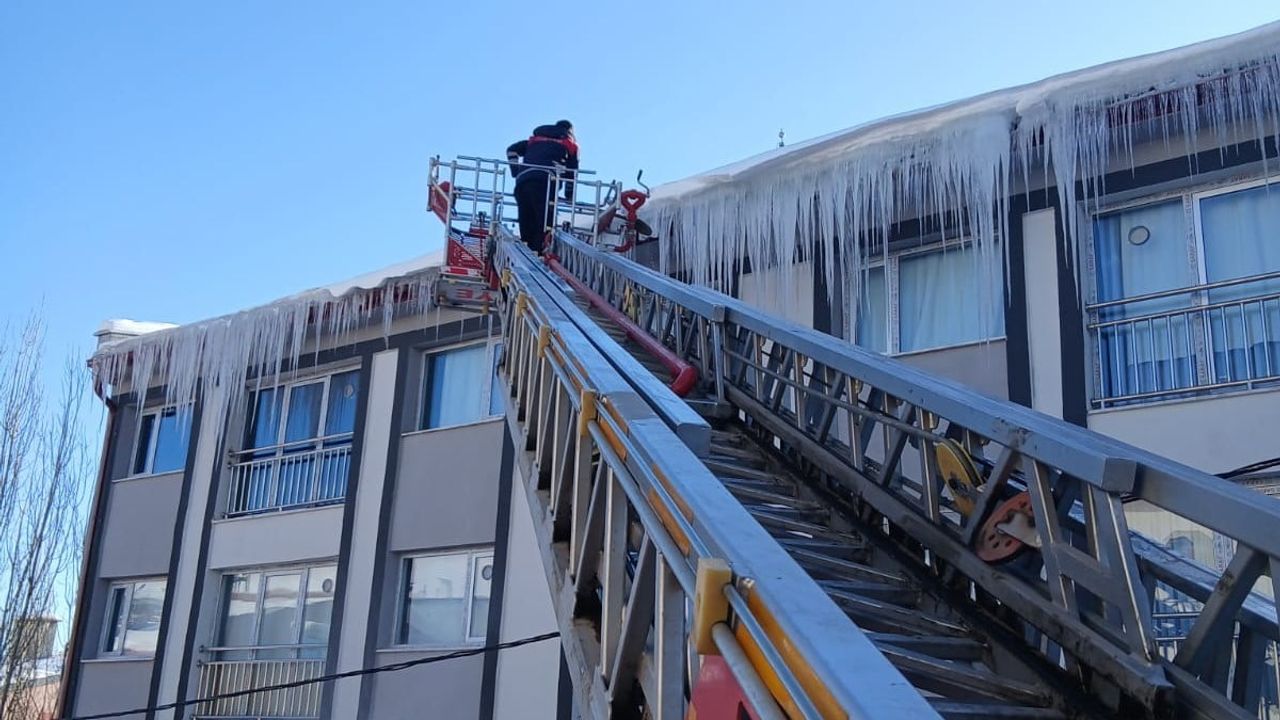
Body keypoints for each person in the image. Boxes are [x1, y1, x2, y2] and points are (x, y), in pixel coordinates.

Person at [506, 120, 579, 253]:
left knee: (526, 217)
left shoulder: (534, 141)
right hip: (545, 181)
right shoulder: (569, 145)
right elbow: (571, 173)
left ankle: (526, 248)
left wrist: (516, 171)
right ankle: (539, 252)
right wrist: (569, 196)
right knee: (544, 221)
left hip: (523, 182)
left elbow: (511, 150)